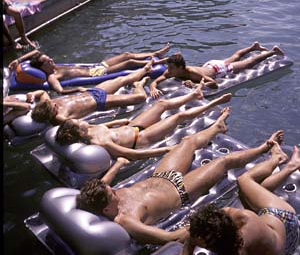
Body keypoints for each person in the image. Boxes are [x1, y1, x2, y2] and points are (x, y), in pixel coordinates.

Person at [76, 122, 284, 245]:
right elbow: (168, 237)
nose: (114, 190)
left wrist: (117, 165)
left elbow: (101, 184)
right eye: (111, 192)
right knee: (223, 161)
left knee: (187, 142)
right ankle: (267, 151)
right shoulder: (126, 220)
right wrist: (193, 226)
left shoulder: (100, 195)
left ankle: (217, 127)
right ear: (105, 208)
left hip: (161, 175)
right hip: (182, 189)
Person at [179, 143, 300, 255]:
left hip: (284, 218)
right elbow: (188, 245)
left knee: (243, 179)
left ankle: (282, 160)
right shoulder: (222, 217)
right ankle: (283, 162)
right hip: (270, 225)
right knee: (246, 192)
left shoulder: (240, 249)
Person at [55, 82, 232, 154]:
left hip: (133, 126)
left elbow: (108, 125)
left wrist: (118, 122)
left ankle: (194, 95)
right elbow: (135, 155)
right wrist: (167, 149)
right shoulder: (99, 143)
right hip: (142, 137)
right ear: (77, 132)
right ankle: (214, 105)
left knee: (161, 104)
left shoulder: (90, 129)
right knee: (178, 117)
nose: (80, 120)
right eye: (77, 123)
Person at [8, 43, 170, 94]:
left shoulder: (51, 66)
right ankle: (154, 63)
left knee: (126, 54)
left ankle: (155, 53)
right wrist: (77, 89)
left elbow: (36, 52)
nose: (50, 59)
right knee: (129, 63)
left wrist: (18, 59)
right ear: (42, 67)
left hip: (97, 66)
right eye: (47, 61)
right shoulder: (52, 77)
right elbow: (60, 91)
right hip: (98, 73)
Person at [30, 62, 153, 125]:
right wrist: (114, 123)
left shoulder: (47, 103)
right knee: (141, 97)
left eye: (54, 105)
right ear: (50, 115)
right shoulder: (59, 117)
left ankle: (145, 69)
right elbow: (83, 126)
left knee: (122, 79)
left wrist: (31, 95)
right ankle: (139, 85)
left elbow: (41, 93)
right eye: (54, 109)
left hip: (92, 92)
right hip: (100, 102)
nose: (56, 105)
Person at [150, 42, 285, 98]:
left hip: (217, 69)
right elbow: (156, 81)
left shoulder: (192, 73)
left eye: (171, 67)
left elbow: (214, 84)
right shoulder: (171, 72)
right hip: (209, 65)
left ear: (180, 68)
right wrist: (152, 88)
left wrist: (197, 85)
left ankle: (272, 51)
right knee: (234, 57)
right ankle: (253, 47)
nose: (168, 70)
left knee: (248, 63)